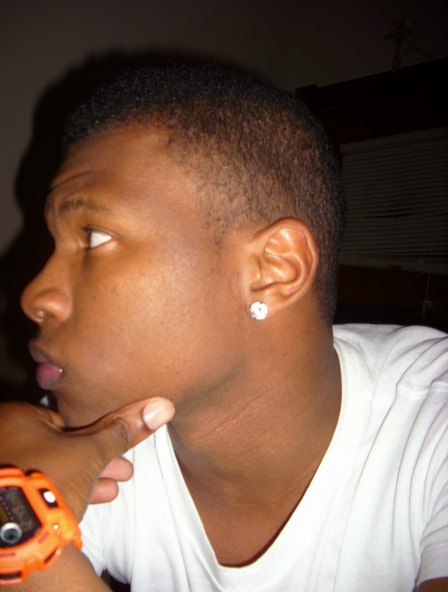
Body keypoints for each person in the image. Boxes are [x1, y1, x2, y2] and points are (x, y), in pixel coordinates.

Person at [1, 62, 447, 591]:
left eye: (95, 236)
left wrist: (21, 521)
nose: (35, 296)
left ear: (272, 270)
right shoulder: (80, 446)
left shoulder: (432, 421)